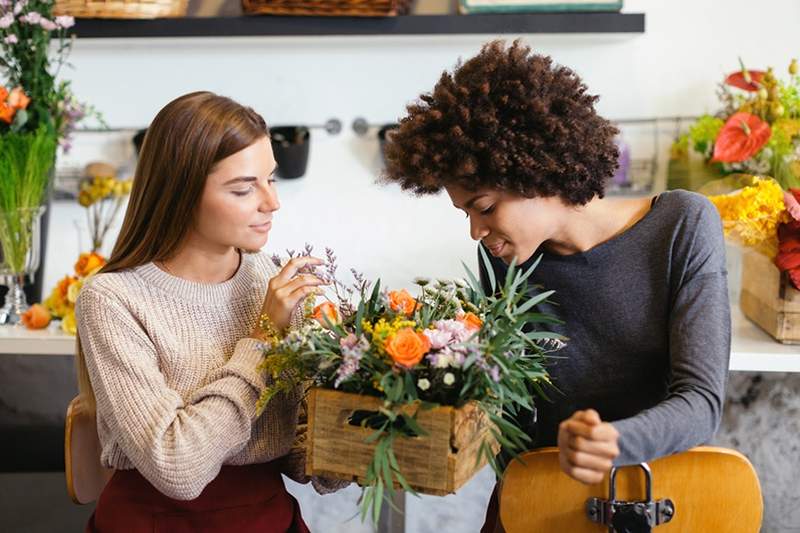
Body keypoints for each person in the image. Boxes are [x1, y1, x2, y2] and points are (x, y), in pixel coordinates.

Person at [382, 40, 730, 532]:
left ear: (536, 172)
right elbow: (515, 407)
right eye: (465, 214)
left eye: (484, 207)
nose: (476, 232)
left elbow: (701, 404)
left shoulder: (681, 225)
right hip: (535, 500)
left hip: (645, 499)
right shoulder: (503, 258)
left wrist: (611, 441)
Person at [75, 91, 343, 532]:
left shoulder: (272, 282)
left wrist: (361, 417)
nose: (271, 203)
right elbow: (177, 467)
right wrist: (262, 339)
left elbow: (298, 457)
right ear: (181, 193)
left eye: (271, 179)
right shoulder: (112, 300)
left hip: (269, 520)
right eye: (243, 188)